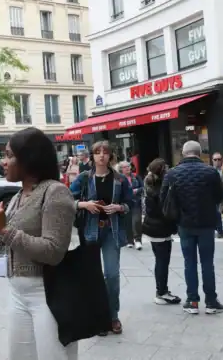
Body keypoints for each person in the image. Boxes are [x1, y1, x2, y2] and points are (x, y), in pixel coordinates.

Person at [0, 127, 77, 360]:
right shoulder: (18, 196)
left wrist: (5, 229)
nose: (4, 162)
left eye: (9, 155)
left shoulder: (56, 193)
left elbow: (53, 251)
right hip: (17, 293)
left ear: (29, 158)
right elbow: (3, 247)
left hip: (47, 294)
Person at [69, 140, 132, 335]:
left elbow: (131, 202)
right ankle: (99, 318)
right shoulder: (84, 178)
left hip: (112, 232)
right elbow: (67, 199)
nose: (101, 155)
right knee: (94, 277)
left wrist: (120, 207)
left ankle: (113, 316)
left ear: (110, 155)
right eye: (98, 152)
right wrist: (84, 204)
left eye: (105, 152)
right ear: (93, 156)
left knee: (112, 275)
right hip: (90, 232)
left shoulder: (120, 179)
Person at [161, 140, 223, 315]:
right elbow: (220, 196)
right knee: (207, 263)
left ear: (183, 153)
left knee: (189, 262)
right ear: (199, 153)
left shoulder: (172, 173)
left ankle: (192, 301)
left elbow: (163, 198)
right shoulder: (211, 172)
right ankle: (211, 301)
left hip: (184, 224)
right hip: (206, 223)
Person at [141, 158, 181, 305]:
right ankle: (161, 292)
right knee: (162, 261)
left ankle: (162, 290)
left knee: (162, 261)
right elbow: (161, 211)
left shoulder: (153, 186)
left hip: (155, 228)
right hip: (159, 229)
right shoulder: (159, 189)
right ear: (162, 170)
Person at [119, 161, 144, 250]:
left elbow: (143, 187)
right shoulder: (119, 178)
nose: (127, 168)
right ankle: (130, 241)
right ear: (121, 169)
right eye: (125, 167)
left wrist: (136, 190)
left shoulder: (136, 177)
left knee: (136, 221)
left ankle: (138, 240)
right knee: (128, 222)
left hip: (136, 202)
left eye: (128, 166)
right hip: (125, 203)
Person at [211, 152, 223, 237]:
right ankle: (220, 231)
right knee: (217, 213)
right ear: (212, 160)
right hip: (215, 196)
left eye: (219, 159)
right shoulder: (209, 171)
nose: (217, 161)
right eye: (215, 160)